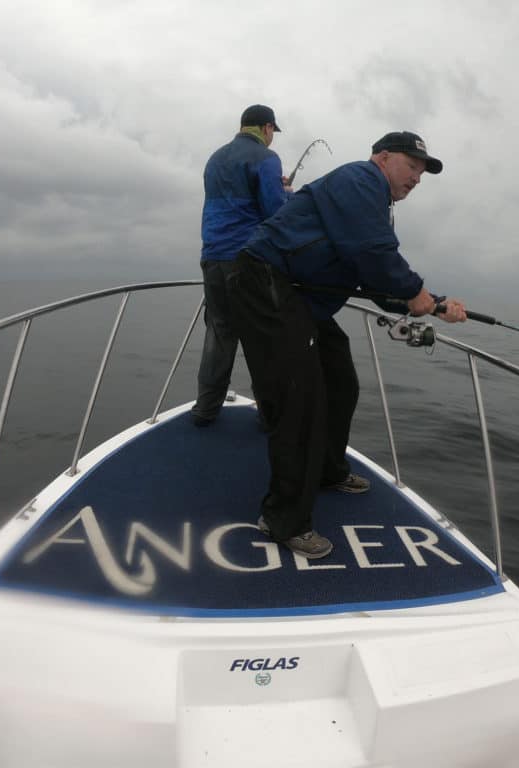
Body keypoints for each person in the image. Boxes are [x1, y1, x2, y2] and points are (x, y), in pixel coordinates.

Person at [228, 131, 468, 559]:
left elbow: (373, 275)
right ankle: (284, 520)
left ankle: (327, 470)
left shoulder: (375, 204)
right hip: (266, 280)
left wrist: (430, 305)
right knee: (300, 400)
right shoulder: (360, 180)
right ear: (382, 157)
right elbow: (372, 251)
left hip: (302, 296)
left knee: (340, 383)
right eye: (411, 166)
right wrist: (416, 292)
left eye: (422, 172)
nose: (417, 178)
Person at [191, 104, 292, 427]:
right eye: (273, 131)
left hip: (212, 258)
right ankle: (271, 415)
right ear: (266, 128)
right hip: (248, 262)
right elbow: (274, 212)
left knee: (219, 332)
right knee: (260, 336)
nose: (272, 137)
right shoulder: (266, 158)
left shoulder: (215, 158)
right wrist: (286, 191)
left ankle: (205, 410)